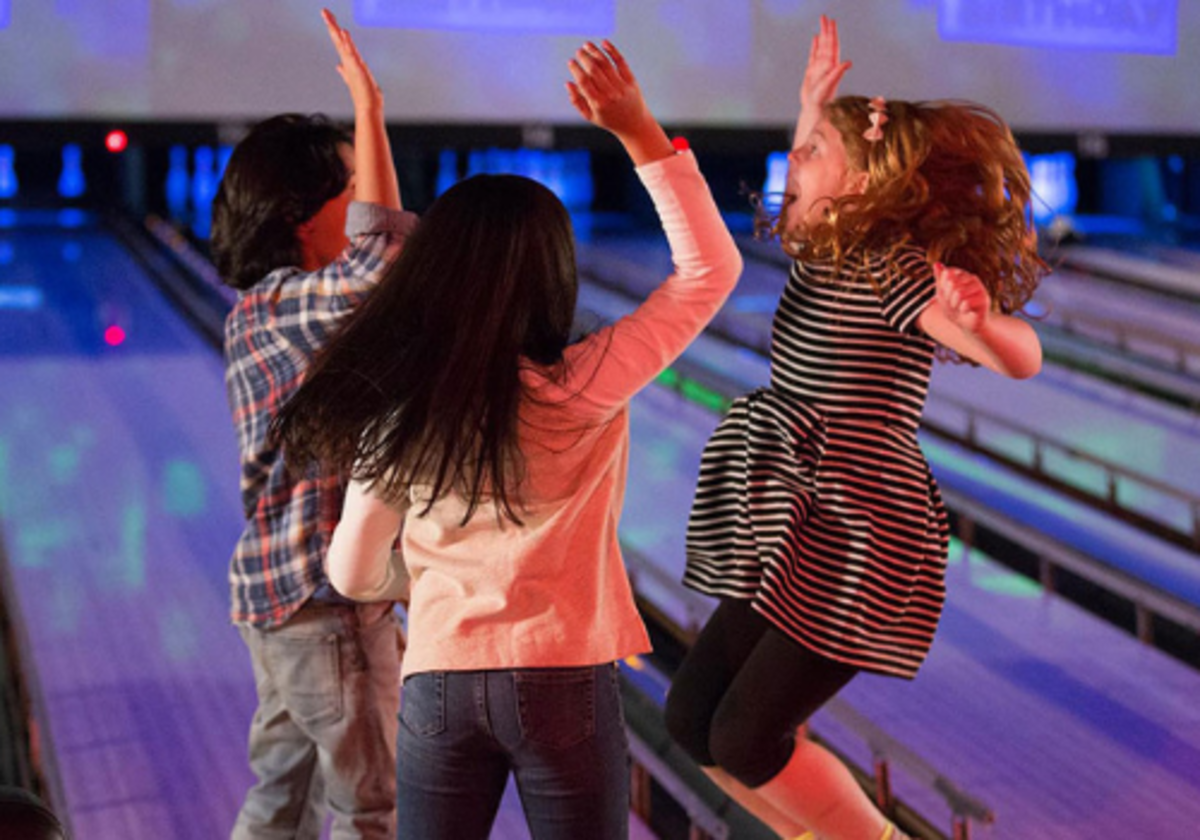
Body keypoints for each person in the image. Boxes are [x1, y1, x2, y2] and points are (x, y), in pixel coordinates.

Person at [271, 40, 742, 840]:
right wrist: (636, 133)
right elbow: (709, 271)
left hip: (441, 684)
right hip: (563, 680)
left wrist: (426, 581)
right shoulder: (585, 379)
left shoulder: (404, 406)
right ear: (553, 273)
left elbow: (350, 573)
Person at [664, 16, 1047, 840]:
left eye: (810, 154)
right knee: (692, 722)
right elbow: (809, 188)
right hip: (798, 515)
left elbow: (1024, 359)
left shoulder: (894, 269)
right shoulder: (821, 244)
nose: (791, 164)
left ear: (865, 180)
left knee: (741, 734)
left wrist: (982, 321)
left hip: (862, 527)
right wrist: (812, 105)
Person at [211, 10, 416, 839]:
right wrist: (368, 111)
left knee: (281, 805)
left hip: (286, 604)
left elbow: (385, 268)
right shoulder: (281, 306)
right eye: (348, 187)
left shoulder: (274, 312)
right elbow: (385, 261)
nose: (360, 205)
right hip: (322, 604)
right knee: (371, 811)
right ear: (304, 213)